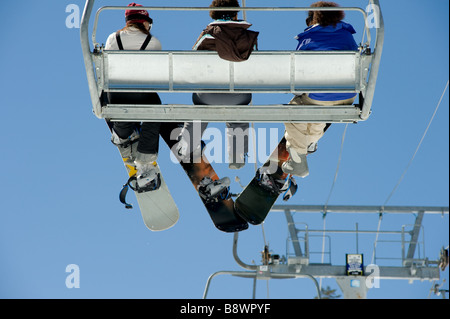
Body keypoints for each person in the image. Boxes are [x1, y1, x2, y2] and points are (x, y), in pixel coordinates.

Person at [176, 0, 259, 169]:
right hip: (238, 95)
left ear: (213, 14)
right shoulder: (247, 38)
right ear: (236, 14)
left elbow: (192, 65)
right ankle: (236, 153)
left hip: (208, 95)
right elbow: (254, 69)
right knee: (238, 114)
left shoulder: (206, 36)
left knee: (200, 109)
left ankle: (187, 143)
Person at [282, 1, 358, 178]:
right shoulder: (347, 36)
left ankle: (299, 158)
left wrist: (299, 92)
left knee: (291, 112)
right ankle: (309, 142)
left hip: (322, 96)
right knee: (317, 114)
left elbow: (297, 72)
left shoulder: (309, 38)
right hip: (348, 95)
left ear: (313, 18)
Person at [104, 3, 163, 191]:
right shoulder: (152, 42)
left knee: (121, 105)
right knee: (156, 108)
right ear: (144, 22)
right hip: (141, 95)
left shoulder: (113, 38)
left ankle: (122, 134)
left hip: (116, 95)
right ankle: (145, 158)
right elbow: (157, 75)